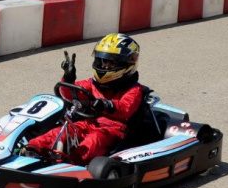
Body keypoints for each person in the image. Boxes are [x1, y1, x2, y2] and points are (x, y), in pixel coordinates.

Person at [26, 33, 144, 165]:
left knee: (93, 141)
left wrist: (107, 105)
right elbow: (70, 93)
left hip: (111, 130)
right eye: (103, 61)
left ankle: (71, 164)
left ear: (126, 64)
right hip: (88, 122)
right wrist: (68, 78)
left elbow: (125, 108)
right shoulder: (93, 84)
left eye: (111, 63)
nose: (105, 66)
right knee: (63, 131)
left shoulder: (134, 89)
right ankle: (32, 151)